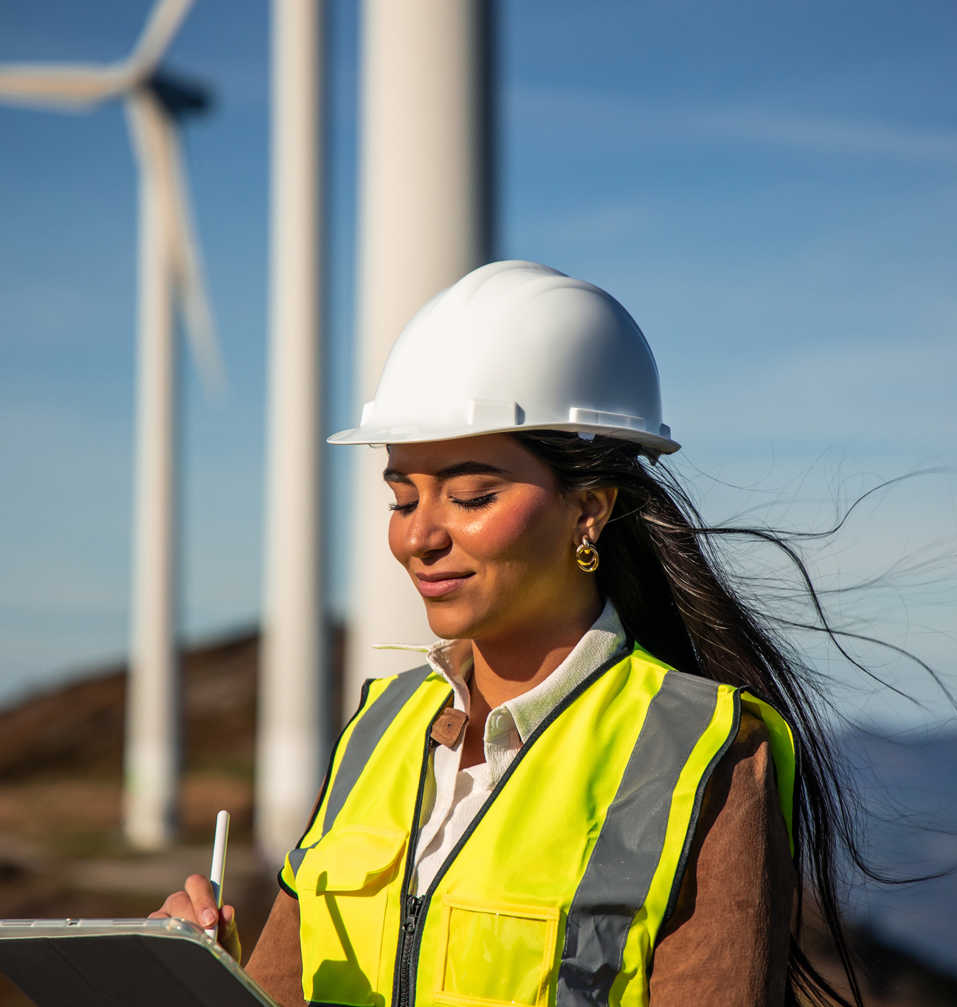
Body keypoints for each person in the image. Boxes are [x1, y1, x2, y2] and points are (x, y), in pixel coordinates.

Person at [152, 261, 867, 1006]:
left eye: (470, 496)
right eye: (401, 499)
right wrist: (196, 979)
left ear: (587, 509)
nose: (418, 537)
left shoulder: (701, 749)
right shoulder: (377, 729)